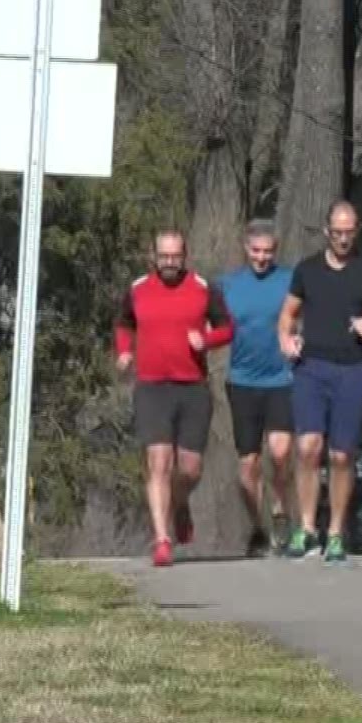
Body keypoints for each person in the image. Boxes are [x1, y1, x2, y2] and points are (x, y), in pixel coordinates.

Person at [276, 200, 362, 564]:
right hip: (311, 367)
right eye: (337, 232)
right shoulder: (307, 270)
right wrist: (286, 338)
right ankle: (307, 528)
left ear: (356, 231)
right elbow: (287, 315)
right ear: (327, 231)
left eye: (349, 232)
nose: (343, 239)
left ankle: (336, 533)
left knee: (342, 455)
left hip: (353, 368)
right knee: (308, 447)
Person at [115, 229, 233, 567]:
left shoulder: (202, 288)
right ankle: (162, 540)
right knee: (159, 462)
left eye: (175, 256)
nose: (169, 263)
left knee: (190, 469)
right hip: (151, 388)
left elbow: (227, 327)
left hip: (192, 388)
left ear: (185, 256)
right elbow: (124, 324)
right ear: (153, 256)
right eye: (163, 256)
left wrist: (206, 342)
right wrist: (124, 352)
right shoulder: (138, 290)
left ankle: (179, 503)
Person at [217, 219, 298, 557]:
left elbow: (310, 314)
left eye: (268, 252)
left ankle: (280, 512)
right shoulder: (227, 285)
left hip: (282, 379)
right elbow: (206, 321)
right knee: (248, 462)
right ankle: (257, 527)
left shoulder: (290, 280)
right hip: (242, 381)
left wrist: (301, 338)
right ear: (245, 249)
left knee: (280, 453)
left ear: (275, 251)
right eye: (256, 251)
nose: (262, 257)